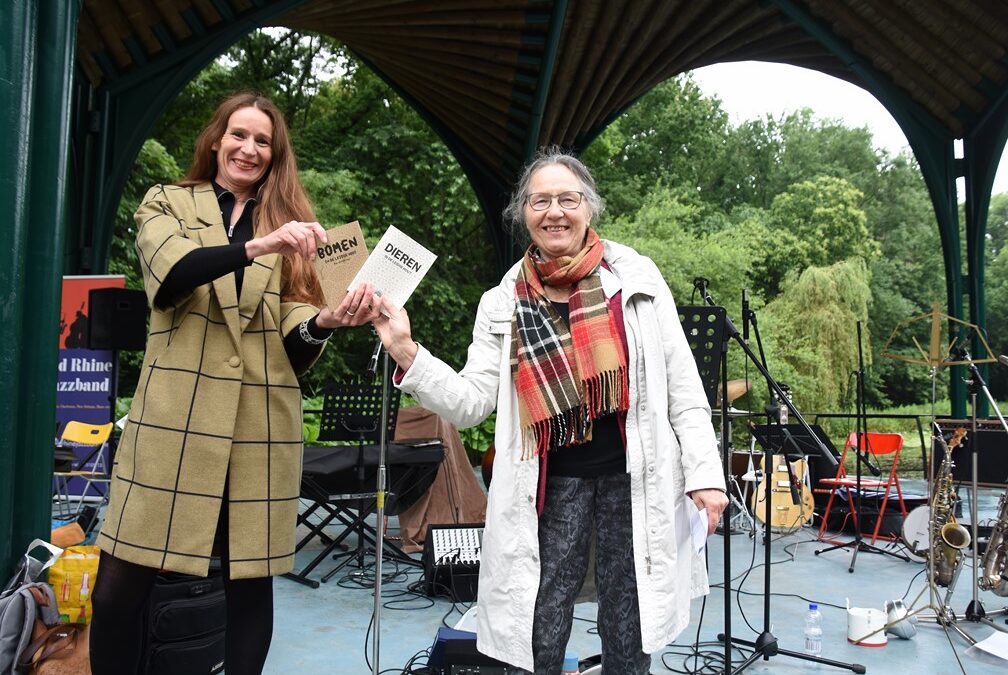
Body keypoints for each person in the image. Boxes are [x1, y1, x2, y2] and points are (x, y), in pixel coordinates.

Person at [370, 148, 728, 674]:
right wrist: (405, 350)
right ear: (524, 213)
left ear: (589, 208)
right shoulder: (502, 300)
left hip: (636, 480)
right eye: (541, 200)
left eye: (568, 198)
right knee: (541, 621)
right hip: (549, 484)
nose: (555, 211)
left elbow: (683, 387)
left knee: (629, 626)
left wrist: (705, 474)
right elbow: (471, 402)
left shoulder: (638, 278)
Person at [90, 92, 372, 674]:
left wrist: (324, 322)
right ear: (215, 140)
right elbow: (172, 274)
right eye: (238, 135)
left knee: (252, 586)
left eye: (262, 141)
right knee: (117, 587)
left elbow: (293, 341)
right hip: (171, 425)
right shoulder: (165, 202)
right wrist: (258, 245)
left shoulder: (295, 230)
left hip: (261, 429)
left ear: (274, 155)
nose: (249, 148)